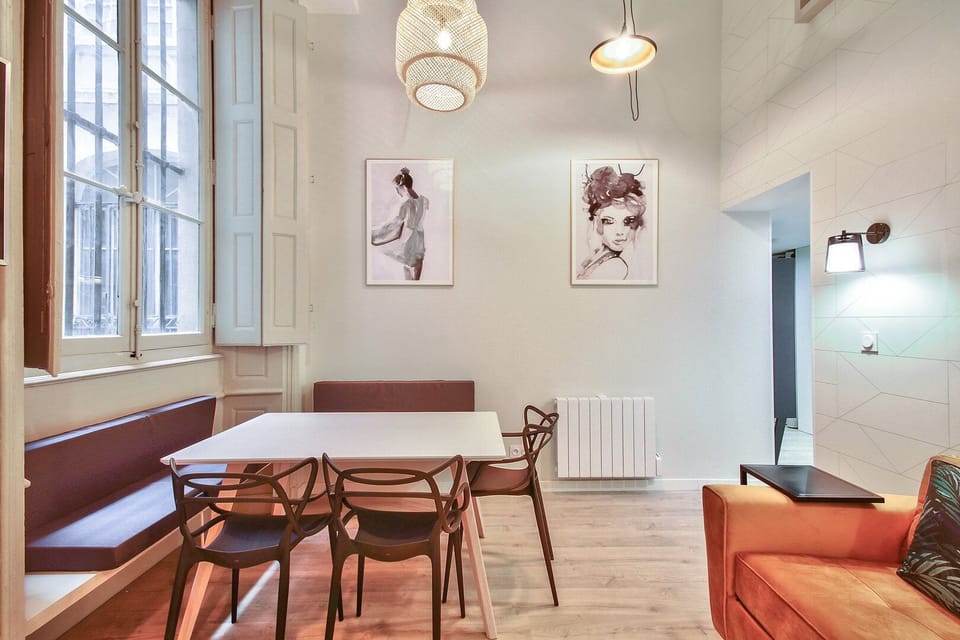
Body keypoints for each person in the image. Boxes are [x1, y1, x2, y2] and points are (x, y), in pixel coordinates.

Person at [576, 165, 647, 280]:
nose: (620, 232)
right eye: (608, 221)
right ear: (596, 221)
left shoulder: (616, 266)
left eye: (628, 222)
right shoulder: (594, 258)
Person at [371, 167, 430, 280]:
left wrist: (374, 234)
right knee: (416, 280)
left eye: (397, 189)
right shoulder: (424, 200)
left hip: (408, 241)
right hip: (420, 241)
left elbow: (394, 225)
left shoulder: (405, 203)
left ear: (402, 187)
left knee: (408, 276)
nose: (397, 192)